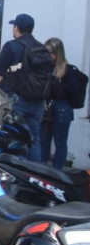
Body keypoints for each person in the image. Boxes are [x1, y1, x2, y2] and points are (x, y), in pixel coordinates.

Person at [0, 13, 45, 162]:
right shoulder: (41, 48)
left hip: (16, 101)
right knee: (34, 140)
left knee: (14, 138)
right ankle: (34, 175)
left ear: (17, 28)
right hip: (37, 102)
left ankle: (16, 174)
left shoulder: (11, 46)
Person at [41, 37, 80, 169]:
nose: (48, 56)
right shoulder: (45, 68)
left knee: (60, 143)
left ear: (58, 54)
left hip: (62, 109)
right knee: (44, 142)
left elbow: (72, 90)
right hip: (47, 109)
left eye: (51, 53)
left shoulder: (68, 70)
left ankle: (57, 172)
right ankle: (42, 171)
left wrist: (55, 83)